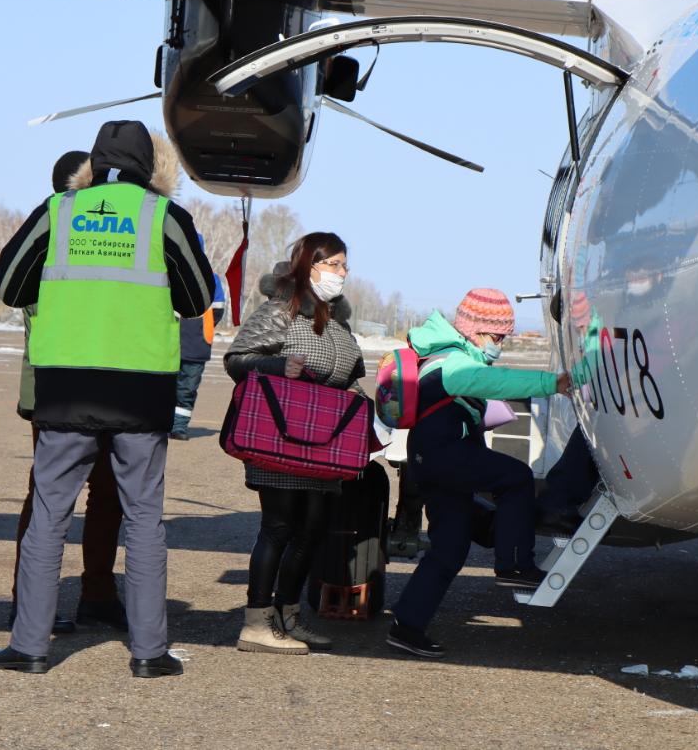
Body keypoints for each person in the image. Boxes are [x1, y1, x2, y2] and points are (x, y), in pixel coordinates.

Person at [0, 120, 215, 678]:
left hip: (66, 388)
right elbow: (196, 299)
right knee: (143, 518)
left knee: (48, 515)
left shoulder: (58, 211)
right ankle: (148, 652)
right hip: (140, 392)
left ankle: (29, 647)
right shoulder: (166, 217)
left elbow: (9, 284)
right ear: (149, 166)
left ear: (94, 162)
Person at [387, 289, 571, 658]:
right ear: (475, 330)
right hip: (445, 458)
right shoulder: (455, 363)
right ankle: (514, 564)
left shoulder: (440, 357)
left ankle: (406, 627)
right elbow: (499, 382)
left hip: (430, 462)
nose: (501, 344)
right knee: (516, 477)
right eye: (497, 336)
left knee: (449, 550)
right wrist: (553, 383)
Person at [223, 232, 364, 655]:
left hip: (323, 442)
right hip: (279, 437)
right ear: (310, 265)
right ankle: (256, 621)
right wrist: (276, 364)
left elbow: (350, 370)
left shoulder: (338, 319)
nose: (342, 273)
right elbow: (236, 360)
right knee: (279, 527)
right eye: (334, 264)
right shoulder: (280, 309)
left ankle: (287, 614)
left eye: (344, 266)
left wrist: (354, 388)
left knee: (312, 529)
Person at [9, 149, 125, 635]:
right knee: (57, 495)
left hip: (73, 386)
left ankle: (94, 592)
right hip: (63, 386)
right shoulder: (58, 230)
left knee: (101, 494)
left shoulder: (59, 230)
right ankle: (32, 599)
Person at [170, 236, 220, 441]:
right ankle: (164, 423)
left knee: (186, 389)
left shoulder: (211, 278)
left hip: (196, 345)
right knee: (167, 387)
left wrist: (203, 328)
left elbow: (218, 309)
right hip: (170, 343)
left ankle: (179, 427)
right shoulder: (167, 273)